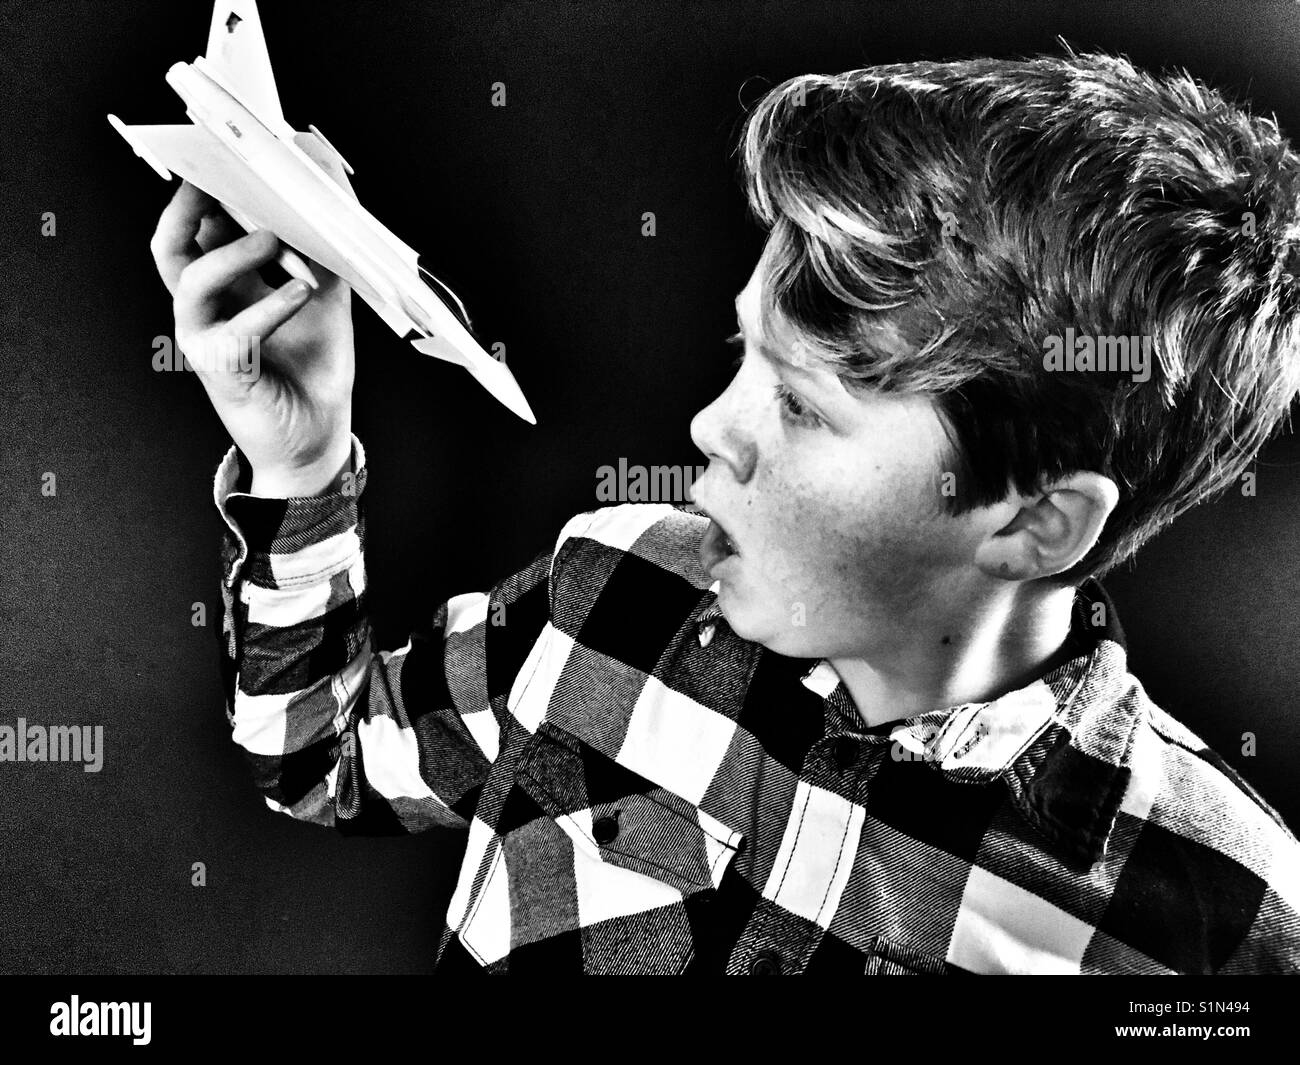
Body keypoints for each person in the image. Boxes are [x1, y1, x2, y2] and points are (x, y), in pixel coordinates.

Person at [150, 52, 1300, 974]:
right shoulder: (612, 592)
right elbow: (317, 757)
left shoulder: (1222, 919)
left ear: (1034, 525)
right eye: (743, 349)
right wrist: (295, 458)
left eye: (800, 404)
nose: (709, 426)